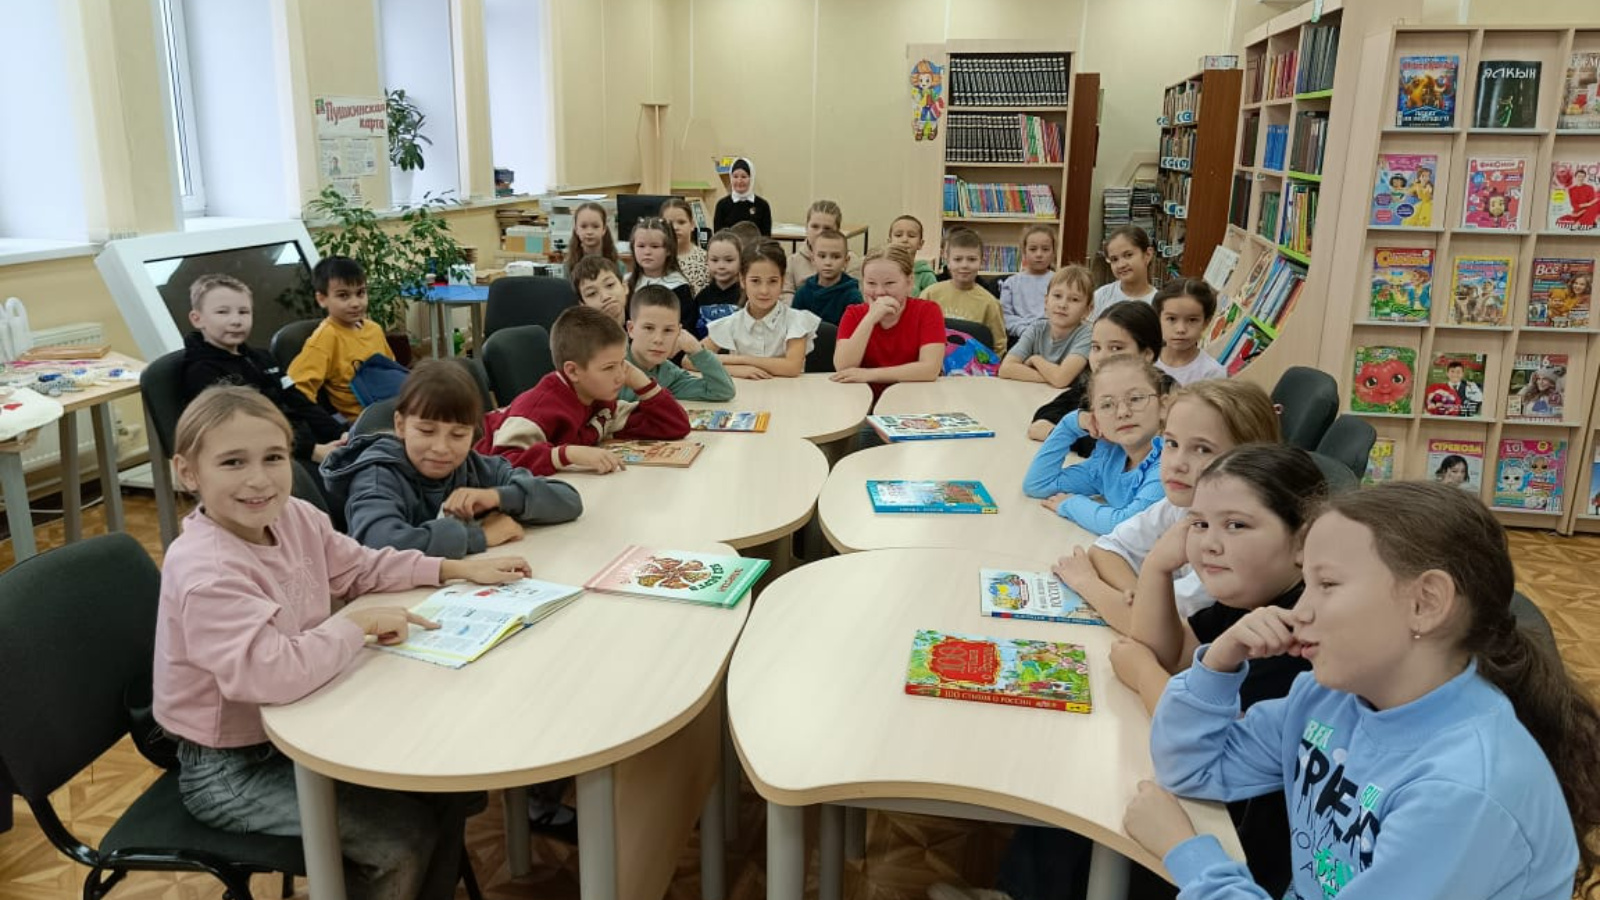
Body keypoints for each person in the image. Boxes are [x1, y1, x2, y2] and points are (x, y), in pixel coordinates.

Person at [1128, 481, 1600, 900]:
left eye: (1327, 584)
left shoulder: (1463, 790)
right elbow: (1190, 767)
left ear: (1426, 602)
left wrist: (1187, 853)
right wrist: (1218, 661)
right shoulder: (1329, 697)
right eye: (1305, 583)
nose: (1299, 611)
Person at [155, 386, 531, 900]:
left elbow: (362, 567)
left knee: (448, 788)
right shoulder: (207, 570)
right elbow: (269, 673)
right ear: (188, 472)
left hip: (304, 722)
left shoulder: (294, 517)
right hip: (230, 768)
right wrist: (357, 626)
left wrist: (453, 568)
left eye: (273, 457)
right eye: (233, 462)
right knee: (401, 841)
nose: (259, 479)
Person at [1111, 444, 1327, 898]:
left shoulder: (1299, 637)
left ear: (1303, 542)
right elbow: (1169, 652)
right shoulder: (1249, 598)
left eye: (1236, 525)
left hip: (1250, 850)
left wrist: (1144, 671)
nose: (1209, 542)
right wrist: (1157, 566)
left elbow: (1212, 734)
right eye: (1199, 523)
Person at [1053, 379, 1282, 634]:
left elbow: (1152, 629)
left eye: (1202, 449)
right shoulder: (1187, 502)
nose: (1176, 464)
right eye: (1171, 443)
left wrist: (1086, 582)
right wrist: (1140, 599)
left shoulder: (1237, 542)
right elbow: (1106, 550)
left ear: (1251, 458)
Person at [320, 360, 583, 558]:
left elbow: (569, 501)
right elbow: (378, 544)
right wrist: (479, 536)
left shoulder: (472, 465)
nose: (441, 448)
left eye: (458, 435)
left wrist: (497, 496)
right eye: (426, 431)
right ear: (400, 425)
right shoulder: (377, 475)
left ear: (473, 435)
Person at [475, 306, 691, 476]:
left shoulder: (599, 399)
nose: (621, 376)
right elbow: (501, 465)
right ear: (573, 371)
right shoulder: (536, 410)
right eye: (609, 367)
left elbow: (675, 426)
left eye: (622, 363)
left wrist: (642, 383)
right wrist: (567, 454)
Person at [180, 273, 346, 466]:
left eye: (243, 312)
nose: (236, 320)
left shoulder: (262, 358)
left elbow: (300, 402)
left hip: (303, 443)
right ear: (197, 319)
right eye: (223, 312)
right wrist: (312, 451)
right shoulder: (201, 371)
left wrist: (340, 434)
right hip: (264, 457)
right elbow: (240, 429)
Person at [1022, 354, 1168, 535]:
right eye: (1107, 405)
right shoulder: (1108, 459)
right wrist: (1071, 424)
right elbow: (1038, 484)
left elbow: (1128, 526)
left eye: (1136, 398)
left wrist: (1071, 504)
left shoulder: (1169, 463)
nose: (1123, 412)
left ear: (1163, 406)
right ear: (1094, 417)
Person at [1027, 300, 1165, 442]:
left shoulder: (1161, 394)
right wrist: (1080, 420)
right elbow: (1046, 414)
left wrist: (1061, 435)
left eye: (1116, 348)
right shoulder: (1093, 386)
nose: (1101, 358)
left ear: (1146, 354)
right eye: (1096, 347)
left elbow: (1124, 445)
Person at [287, 255, 394, 420]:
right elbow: (297, 390)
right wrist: (325, 427)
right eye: (343, 295)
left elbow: (391, 371)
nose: (355, 303)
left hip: (393, 408)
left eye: (360, 293)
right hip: (366, 422)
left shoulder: (374, 329)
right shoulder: (326, 338)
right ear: (322, 299)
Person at [831, 245, 945, 393]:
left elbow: (930, 369)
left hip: (913, 397)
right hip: (862, 397)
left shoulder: (928, 311)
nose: (879, 292)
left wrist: (870, 374)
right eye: (871, 283)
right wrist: (870, 318)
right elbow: (843, 367)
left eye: (890, 283)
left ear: (909, 282)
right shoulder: (853, 313)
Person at [704, 239, 820, 379]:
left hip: (789, 391)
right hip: (744, 392)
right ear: (742, 280)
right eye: (755, 281)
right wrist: (734, 369)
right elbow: (690, 360)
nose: (764, 290)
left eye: (773, 281)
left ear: (782, 281)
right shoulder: (731, 323)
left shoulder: (796, 320)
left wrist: (741, 360)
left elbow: (792, 367)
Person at [623, 285, 735, 401]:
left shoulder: (669, 376)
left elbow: (722, 391)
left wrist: (697, 351)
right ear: (631, 329)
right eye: (649, 328)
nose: (658, 339)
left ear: (679, 332)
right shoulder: (614, 365)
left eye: (668, 330)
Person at [998, 265, 1093, 385]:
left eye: (1074, 299)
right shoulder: (1036, 328)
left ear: (1087, 310)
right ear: (1046, 301)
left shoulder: (1088, 334)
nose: (1062, 305)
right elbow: (1005, 369)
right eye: (1057, 296)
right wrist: (1052, 377)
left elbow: (1061, 379)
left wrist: (1035, 359)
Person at [924, 227, 1008, 354]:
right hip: (932, 361)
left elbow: (998, 346)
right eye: (957, 259)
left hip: (974, 364)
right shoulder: (930, 294)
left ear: (982, 261)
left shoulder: (990, 303)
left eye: (972, 259)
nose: (964, 265)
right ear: (947, 260)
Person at [627, 217, 698, 333]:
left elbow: (686, 327)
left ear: (668, 250)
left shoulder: (679, 286)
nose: (647, 252)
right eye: (641, 246)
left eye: (655, 246)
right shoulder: (627, 284)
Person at [1153, 278, 1227, 385]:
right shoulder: (1145, 361)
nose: (1181, 329)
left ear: (1206, 322)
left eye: (1192, 320)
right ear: (1158, 318)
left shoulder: (1212, 374)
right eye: (1172, 319)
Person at [792, 228, 863, 326]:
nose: (828, 263)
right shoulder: (802, 294)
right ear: (813, 259)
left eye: (836, 257)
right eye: (822, 256)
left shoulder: (853, 297)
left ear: (846, 261)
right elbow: (794, 328)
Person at [781, 199, 848, 301]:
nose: (820, 232)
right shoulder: (792, 262)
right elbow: (786, 296)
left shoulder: (850, 261)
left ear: (837, 231)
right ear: (806, 228)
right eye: (815, 226)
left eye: (827, 228)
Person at [998, 224, 1057, 338]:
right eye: (1033, 249)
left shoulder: (1060, 281)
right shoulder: (1011, 283)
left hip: (1052, 336)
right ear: (1024, 252)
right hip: (1020, 337)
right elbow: (1005, 316)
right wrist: (1023, 330)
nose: (1039, 254)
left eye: (1045, 249)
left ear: (1053, 252)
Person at [1091, 226, 1158, 319]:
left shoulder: (1159, 303)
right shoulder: (1101, 296)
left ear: (1148, 255)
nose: (1121, 265)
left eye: (1128, 255)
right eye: (1114, 259)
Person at [712, 157, 772, 235]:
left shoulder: (762, 205)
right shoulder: (722, 205)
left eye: (744, 177)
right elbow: (718, 237)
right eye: (735, 176)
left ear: (751, 178)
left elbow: (766, 237)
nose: (739, 181)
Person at [661, 197, 709, 293]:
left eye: (681, 222)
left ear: (692, 225)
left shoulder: (706, 260)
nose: (675, 227)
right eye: (669, 223)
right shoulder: (657, 258)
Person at [565, 201, 622, 276]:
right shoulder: (569, 265)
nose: (589, 232)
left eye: (595, 226)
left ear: (604, 229)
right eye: (584, 226)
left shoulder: (618, 265)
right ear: (576, 229)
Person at [570, 254, 628, 327]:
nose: (605, 297)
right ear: (584, 305)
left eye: (610, 285)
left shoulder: (640, 319)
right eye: (592, 293)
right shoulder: (580, 333)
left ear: (624, 287)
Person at [888, 214, 939, 297]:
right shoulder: (882, 270)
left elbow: (935, 300)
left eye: (911, 236)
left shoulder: (925, 275)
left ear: (920, 244)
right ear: (889, 242)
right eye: (898, 235)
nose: (904, 240)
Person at [695, 230, 746, 310]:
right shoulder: (702, 298)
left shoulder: (749, 296)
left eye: (729, 260)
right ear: (707, 260)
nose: (721, 266)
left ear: (741, 260)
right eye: (715, 260)